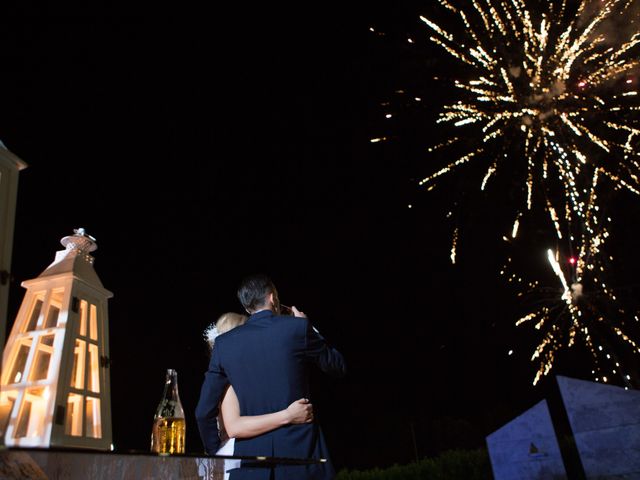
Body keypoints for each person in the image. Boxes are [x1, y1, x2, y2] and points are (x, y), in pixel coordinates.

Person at [196, 274, 346, 479]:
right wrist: (308, 327)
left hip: (252, 466)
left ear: (247, 308)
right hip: (302, 458)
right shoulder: (297, 328)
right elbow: (337, 366)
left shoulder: (224, 344)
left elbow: (203, 412)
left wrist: (215, 453)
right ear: (273, 298)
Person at [204, 312, 315, 480]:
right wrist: (288, 415)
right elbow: (234, 427)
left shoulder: (248, 374)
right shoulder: (229, 380)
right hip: (238, 454)